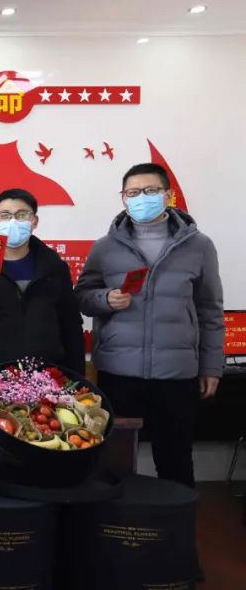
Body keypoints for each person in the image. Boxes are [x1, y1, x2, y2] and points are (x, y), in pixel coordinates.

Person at [76, 163, 224, 488]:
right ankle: (114, 518)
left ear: (168, 195)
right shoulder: (105, 247)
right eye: (133, 192)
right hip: (118, 370)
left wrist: (212, 366)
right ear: (123, 198)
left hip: (177, 373)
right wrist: (105, 299)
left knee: (176, 460)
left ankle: (176, 519)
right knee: (113, 460)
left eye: (150, 190)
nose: (141, 198)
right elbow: (83, 297)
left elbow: (210, 311)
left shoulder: (199, 246)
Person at [0, 188, 85, 388]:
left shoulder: (53, 266)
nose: (13, 222)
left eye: (22, 215)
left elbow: (71, 325)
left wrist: (77, 380)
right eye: (5, 215)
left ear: (34, 221)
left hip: (47, 378)